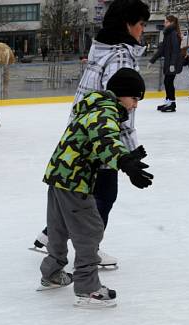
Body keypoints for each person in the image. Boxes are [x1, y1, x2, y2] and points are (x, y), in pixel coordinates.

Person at [32, 0, 151, 268]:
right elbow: (121, 106)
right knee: (103, 196)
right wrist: (127, 152)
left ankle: (50, 234)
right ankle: (89, 250)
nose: (142, 30)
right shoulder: (121, 55)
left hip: (82, 133)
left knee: (78, 190)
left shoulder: (102, 50)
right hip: (102, 139)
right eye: (141, 24)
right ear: (127, 24)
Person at [39, 68, 153, 308]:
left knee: (58, 230)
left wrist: (127, 158)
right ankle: (88, 288)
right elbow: (105, 140)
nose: (135, 106)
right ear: (122, 95)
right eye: (134, 99)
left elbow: (96, 142)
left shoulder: (93, 107)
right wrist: (123, 161)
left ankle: (51, 274)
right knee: (90, 231)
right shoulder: (105, 112)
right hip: (75, 181)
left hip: (59, 176)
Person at [149, 15, 182, 112]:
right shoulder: (168, 34)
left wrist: (172, 64)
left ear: (171, 23)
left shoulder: (173, 34)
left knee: (169, 82)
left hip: (173, 63)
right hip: (169, 62)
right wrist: (152, 60)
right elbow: (162, 49)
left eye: (166, 22)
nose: (164, 23)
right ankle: (168, 101)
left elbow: (175, 50)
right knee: (167, 82)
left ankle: (172, 103)